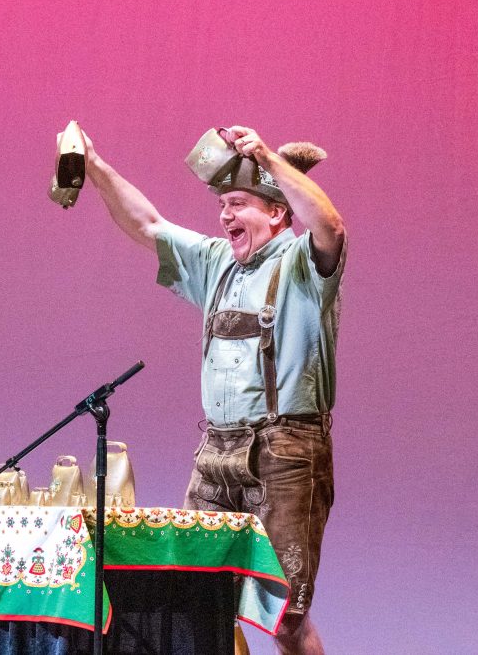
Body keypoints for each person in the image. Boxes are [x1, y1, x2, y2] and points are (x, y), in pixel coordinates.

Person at [81, 124, 345, 655]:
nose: (225, 216)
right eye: (222, 204)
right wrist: (94, 167)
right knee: (199, 604)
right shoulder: (216, 262)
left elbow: (331, 224)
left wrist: (269, 156)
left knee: (286, 619)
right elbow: (148, 223)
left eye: (240, 203)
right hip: (216, 450)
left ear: (275, 211)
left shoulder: (302, 265)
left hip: (287, 453)